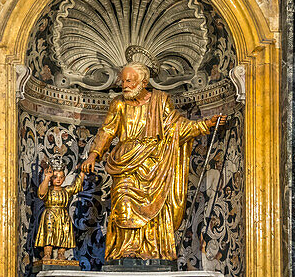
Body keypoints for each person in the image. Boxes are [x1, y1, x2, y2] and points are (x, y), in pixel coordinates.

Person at [81, 57, 225, 261]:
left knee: (156, 208)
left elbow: (177, 127)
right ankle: (126, 250)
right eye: (123, 81)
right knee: (123, 202)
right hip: (126, 162)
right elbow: (107, 130)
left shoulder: (160, 100)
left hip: (154, 164)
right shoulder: (119, 104)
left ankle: (152, 250)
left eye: (130, 81)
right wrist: (93, 155)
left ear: (143, 82)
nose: (125, 85)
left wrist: (205, 125)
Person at [35, 157, 83, 262]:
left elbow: (76, 187)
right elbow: (41, 193)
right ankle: (47, 253)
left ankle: (61, 253)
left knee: (64, 233)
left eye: (61, 177)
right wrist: (47, 178)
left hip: (63, 215)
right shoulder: (47, 190)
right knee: (49, 232)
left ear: (64, 178)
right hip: (50, 214)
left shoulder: (65, 190)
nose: (58, 179)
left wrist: (82, 173)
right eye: (55, 177)